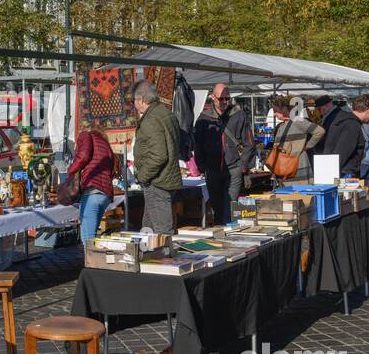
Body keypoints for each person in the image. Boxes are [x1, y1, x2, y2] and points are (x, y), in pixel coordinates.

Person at [194, 83, 254, 224]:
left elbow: (249, 143)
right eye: (221, 98)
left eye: (227, 98)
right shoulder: (204, 118)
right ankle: (220, 233)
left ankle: (228, 234)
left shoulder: (239, 115)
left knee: (229, 206)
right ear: (213, 97)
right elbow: (198, 145)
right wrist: (202, 166)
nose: (225, 102)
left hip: (233, 168)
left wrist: (243, 166)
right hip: (212, 169)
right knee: (216, 207)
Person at [130, 79, 181, 236]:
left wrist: (142, 176)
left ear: (142, 100)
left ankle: (165, 258)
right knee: (149, 229)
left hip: (157, 182)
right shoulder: (165, 113)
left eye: (134, 100)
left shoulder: (151, 119)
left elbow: (159, 155)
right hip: (163, 179)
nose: (133, 103)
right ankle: (149, 255)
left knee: (162, 234)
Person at [67, 126, 114, 244]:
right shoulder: (106, 144)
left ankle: (92, 262)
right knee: (92, 238)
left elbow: (83, 156)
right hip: (105, 195)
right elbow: (113, 168)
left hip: (92, 192)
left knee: (87, 240)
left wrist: (71, 171)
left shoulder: (86, 135)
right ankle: (97, 261)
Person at [266, 95, 324, 181]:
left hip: (298, 166)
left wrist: (307, 146)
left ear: (284, 109)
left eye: (276, 111)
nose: (274, 114)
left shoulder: (298, 121)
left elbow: (319, 131)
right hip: (285, 167)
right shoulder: (281, 125)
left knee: (300, 192)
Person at [312, 94, 369, 178]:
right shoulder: (333, 116)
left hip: (340, 166)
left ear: (327, 106)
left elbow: (343, 146)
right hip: (334, 163)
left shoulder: (337, 117)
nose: (319, 112)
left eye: (320, 109)